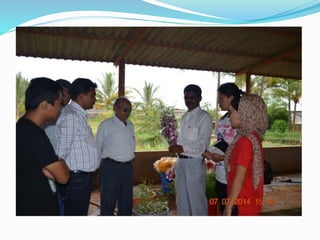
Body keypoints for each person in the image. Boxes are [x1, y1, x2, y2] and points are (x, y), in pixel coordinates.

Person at [16, 77, 70, 216]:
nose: (60, 108)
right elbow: (63, 177)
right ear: (45, 105)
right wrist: (60, 162)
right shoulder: (34, 135)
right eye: (58, 103)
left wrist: (54, 165)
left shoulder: (21, 127)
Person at [55, 78, 100, 216]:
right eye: (92, 95)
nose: (95, 99)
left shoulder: (77, 116)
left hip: (81, 179)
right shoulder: (71, 117)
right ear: (82, 96)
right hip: (76, 179)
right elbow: (60, 154)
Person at [169, 84, 213, 216]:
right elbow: (182, 141)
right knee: (182, 200)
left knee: (196, 201)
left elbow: (202, 144)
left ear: (200, 98)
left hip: (194, 163)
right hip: (180, 162)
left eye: (192, 97)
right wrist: (174, 145)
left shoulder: (204, 117)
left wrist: (182, 148)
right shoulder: (184, 117)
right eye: (186, 97)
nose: (189, 100)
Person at [223, 94, 268, 216]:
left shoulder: (245, 141)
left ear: (245, 114)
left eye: (232, 113)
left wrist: (228, 207)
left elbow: (239, 177)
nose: (230, 117)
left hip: (242, 203)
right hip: (249, 200)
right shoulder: (253, 136)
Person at [202, 82, 243, 215]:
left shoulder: (242, 120)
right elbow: (221, 141)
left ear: (230, 98)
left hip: (235, 176)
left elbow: (243, 154)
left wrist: (220, 157)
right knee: (223, 208)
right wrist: (212, 153)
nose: (218, 102)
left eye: (221, 98)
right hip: (220, 175)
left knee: (234, 211)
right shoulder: (222, 120)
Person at [96, 97, 136, 216]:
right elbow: (98, 146)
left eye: (129, 110)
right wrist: (97, 168)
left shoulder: (130, 125)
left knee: (126, 200)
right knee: (108, 200)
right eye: (124, 109)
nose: (127, 112)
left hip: (127, 168)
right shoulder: (106, 125)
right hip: (110, 167)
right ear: (115, 108)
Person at [44, 79, 72, 215]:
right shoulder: (50, 116)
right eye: (64, 95)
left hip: (63, 166)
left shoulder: (68, 113)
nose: (66, 99)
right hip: (51, 166)